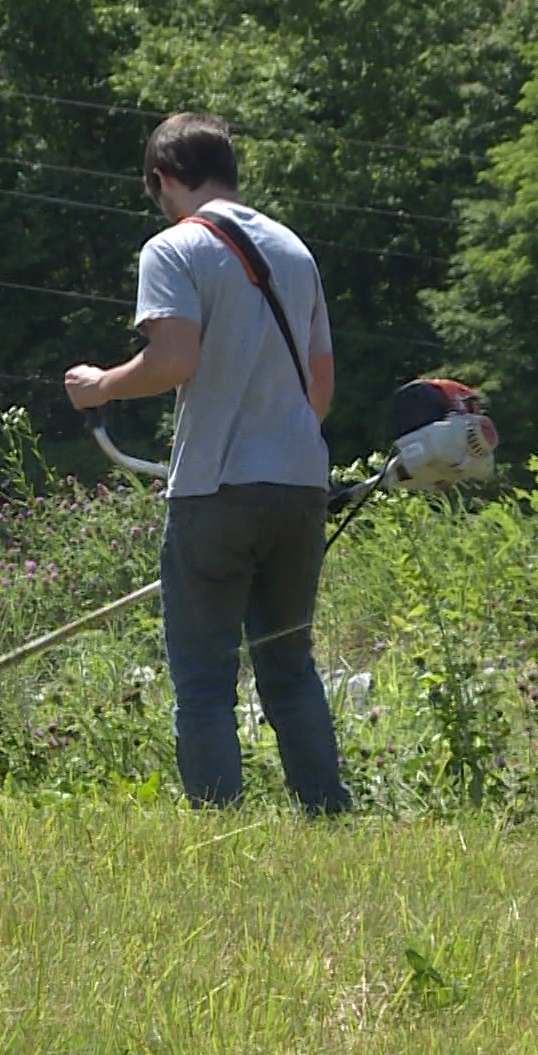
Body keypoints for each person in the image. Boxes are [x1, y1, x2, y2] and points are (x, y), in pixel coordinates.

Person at [63, 112, 350, 815]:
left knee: (202, 678)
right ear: (227, 170)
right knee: (287, 667)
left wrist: (98, 384)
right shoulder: (293, 250)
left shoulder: (173, 247)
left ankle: (219, 831)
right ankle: (326, 814)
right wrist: (277, 440)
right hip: (298, 487)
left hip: (215, 490)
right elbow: (320, 385)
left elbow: (173, 360)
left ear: (163, 179)